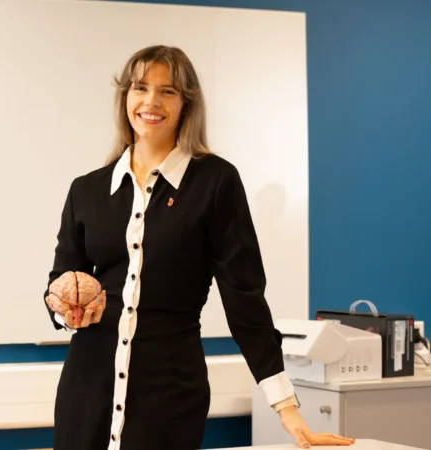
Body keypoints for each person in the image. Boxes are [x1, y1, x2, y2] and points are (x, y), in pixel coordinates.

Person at [43, 45, 356, 450]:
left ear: (186, 103)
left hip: (170, 395)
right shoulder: (86, 190)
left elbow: (244, 298)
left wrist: (286, 406)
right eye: (140, 88)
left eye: (167, 91)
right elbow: (61, 280)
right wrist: (65, 307)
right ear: (125, 97)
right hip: (86, 390)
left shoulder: (215, 183)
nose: (151, 101)